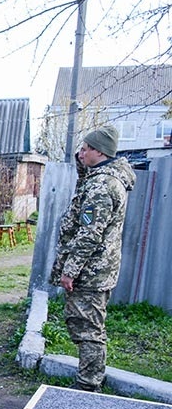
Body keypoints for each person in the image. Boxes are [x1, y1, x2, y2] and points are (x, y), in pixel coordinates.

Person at [49, 124, 136, 392]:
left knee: (87, 329)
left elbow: (89, 234)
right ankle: (90, 379)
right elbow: (85, 184)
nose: (81, 152)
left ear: (99, 152)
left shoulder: (101, 186)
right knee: (88, 325)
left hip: (90, 271)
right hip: (98, 269)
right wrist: (80, 164)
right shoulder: (104, 178)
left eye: (86, 148)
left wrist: (70, 270)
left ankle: (88, 384)